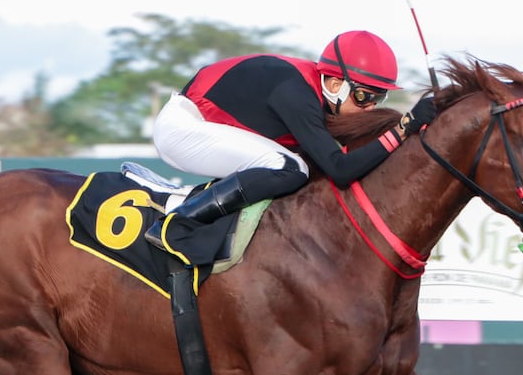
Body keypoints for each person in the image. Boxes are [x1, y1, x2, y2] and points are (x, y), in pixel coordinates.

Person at [145, 30, 437, 249]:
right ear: (335, 84)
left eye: (378, 98)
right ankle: (180, 222)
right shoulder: (296, 95)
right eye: (363, 96)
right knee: (292, 168)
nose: (370, 107)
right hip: (182, 130)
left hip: (204, 127)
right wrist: (404, 127)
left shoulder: (313, 92)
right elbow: (341, 169)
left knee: (295, 165)